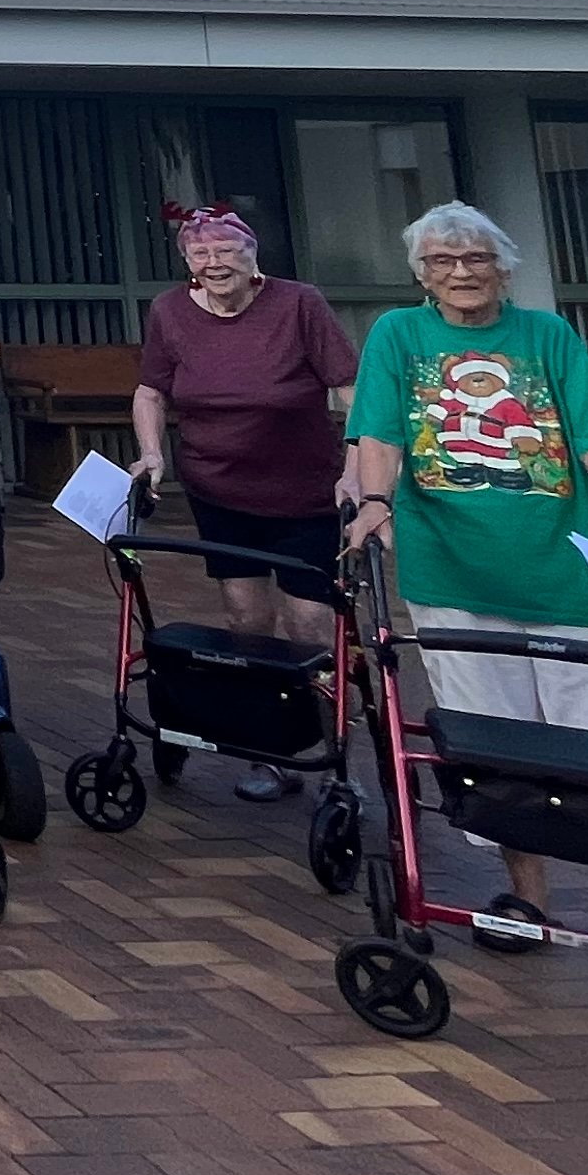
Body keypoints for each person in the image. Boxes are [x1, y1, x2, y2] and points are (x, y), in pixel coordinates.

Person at [343, 202, 588, 971]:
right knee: (490, 739)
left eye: (474, 259)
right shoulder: (399, 335)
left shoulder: (547, 336)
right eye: (442, 261)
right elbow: (381, 433)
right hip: (454, 575)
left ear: (503, 266)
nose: (460, 272)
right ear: (421, 274)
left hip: (569, 571)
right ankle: (526, 899)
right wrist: (373, 505)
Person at [134, 204, 360, 798]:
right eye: (200, 255)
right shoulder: (170, 311)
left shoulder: (298, 303)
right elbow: (151, 390)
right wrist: (152, 454)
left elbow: (349, 387)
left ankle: (330, 746)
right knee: (245, 619)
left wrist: (361, 468)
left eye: (226, 252)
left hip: (308, 492)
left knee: (310, 623)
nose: (214, 264)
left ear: (253, 256)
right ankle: (272, 749)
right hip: (221, 490)